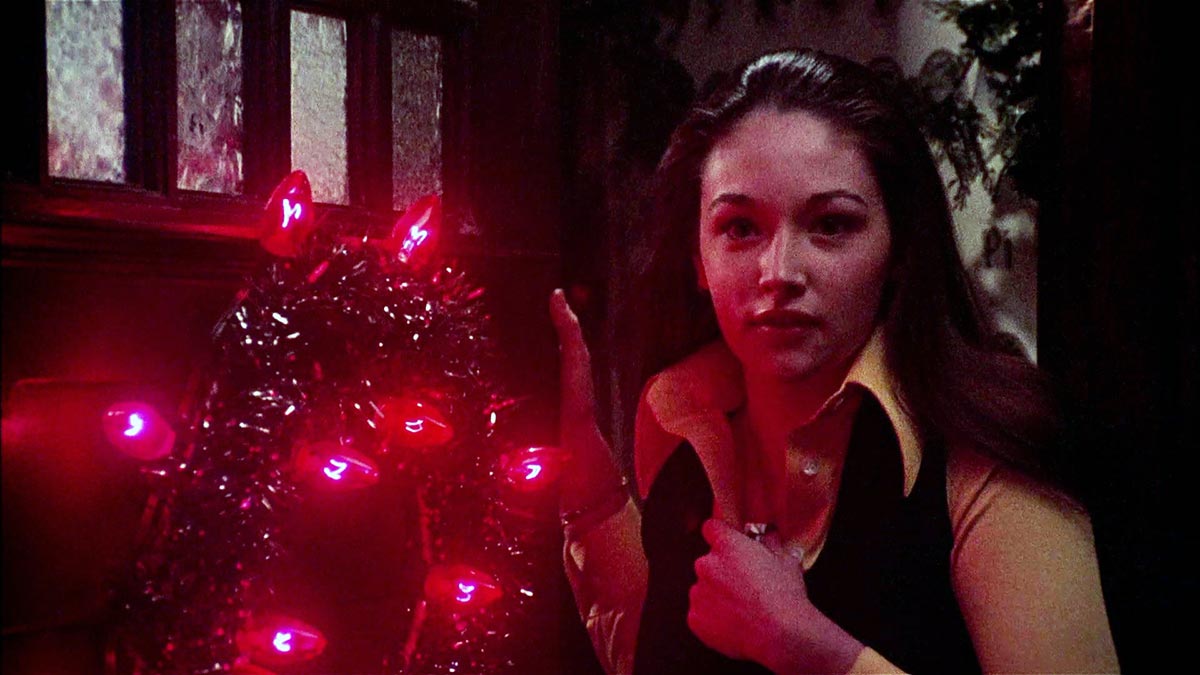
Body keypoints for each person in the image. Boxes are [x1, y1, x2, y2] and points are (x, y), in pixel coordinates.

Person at [549, 49, 1118, 675]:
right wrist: (588, 484)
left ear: (900, 248)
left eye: (831, 224)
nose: (779, 272)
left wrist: (810, 649)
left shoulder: (984, 452)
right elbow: (656, 653)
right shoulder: (676, 419)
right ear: (696, 258)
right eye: (740, 228)